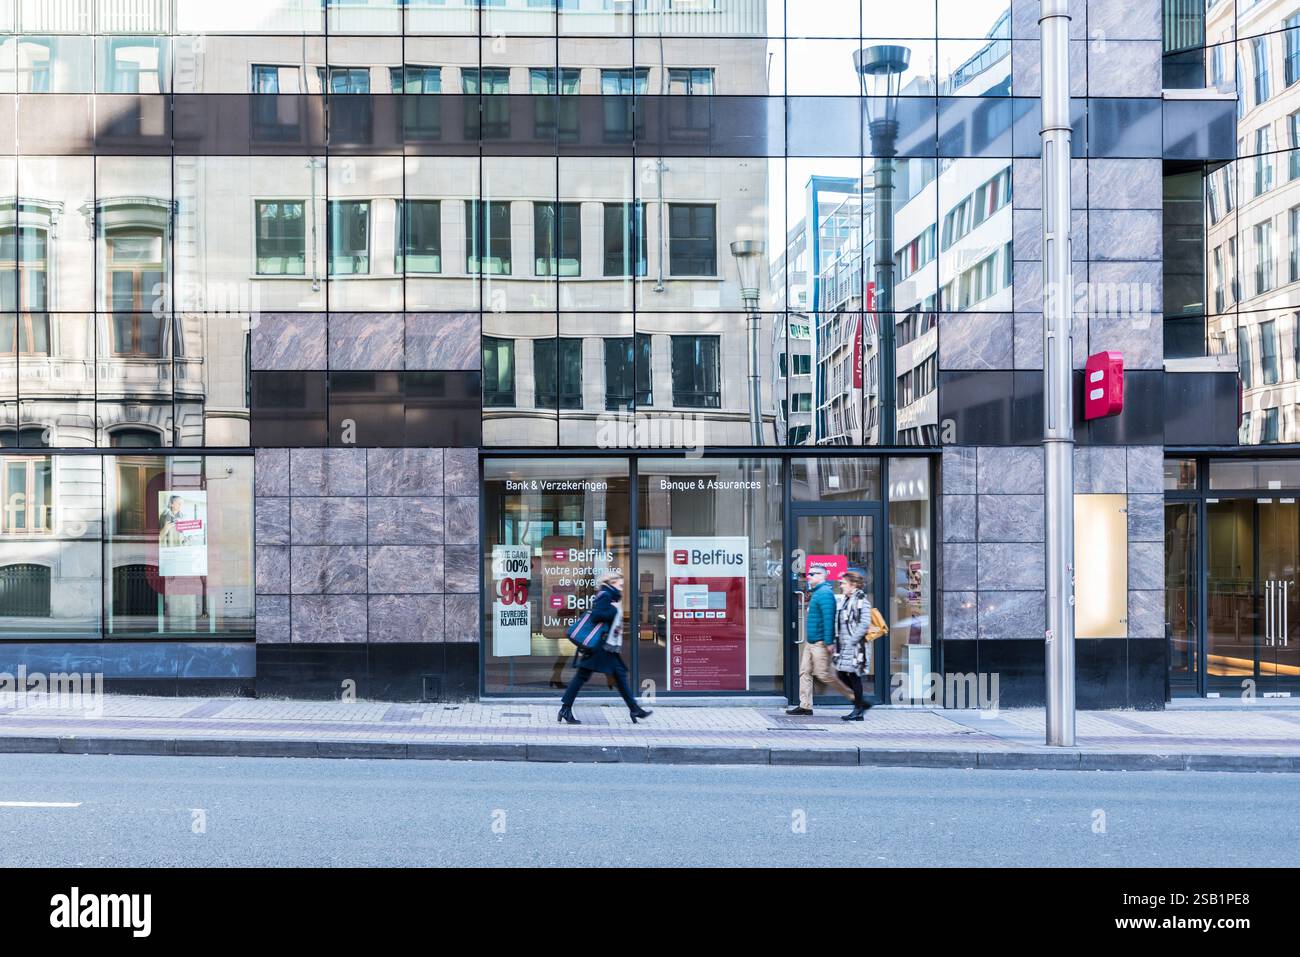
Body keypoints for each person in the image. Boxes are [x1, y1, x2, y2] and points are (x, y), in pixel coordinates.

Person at [557, 572, 652, 725]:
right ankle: (565, 708)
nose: (622, 588)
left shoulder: (611, 596)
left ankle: (634, 708)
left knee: (617, 676)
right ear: (612, 582)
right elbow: (596, 615)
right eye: (620, 585)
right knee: (585, 676)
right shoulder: (605, 595)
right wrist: (613, 610)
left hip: (607, 646)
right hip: (600, 647)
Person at [786, 565, 855, 715]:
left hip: (820, 643)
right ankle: (805, 705)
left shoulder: (824, 593)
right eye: (808, 574)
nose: (808, 576)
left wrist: (829, 642)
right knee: (805, 672)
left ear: (822, 576)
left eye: (812, 574)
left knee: (823, 674)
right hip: (811, 642)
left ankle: (854, 696)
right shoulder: (816, 593)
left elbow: (828, 619)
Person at [833, 570, 874, 720]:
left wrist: (852, 641)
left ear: (853, 585)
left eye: (844, 583)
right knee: (842, 673)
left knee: (853, 675)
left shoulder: (862, 601)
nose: (841, 585)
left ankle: (858, 709)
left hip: (856, 646)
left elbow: (864, 624)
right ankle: (861, 704)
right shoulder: (846, 600)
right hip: (845, 645)